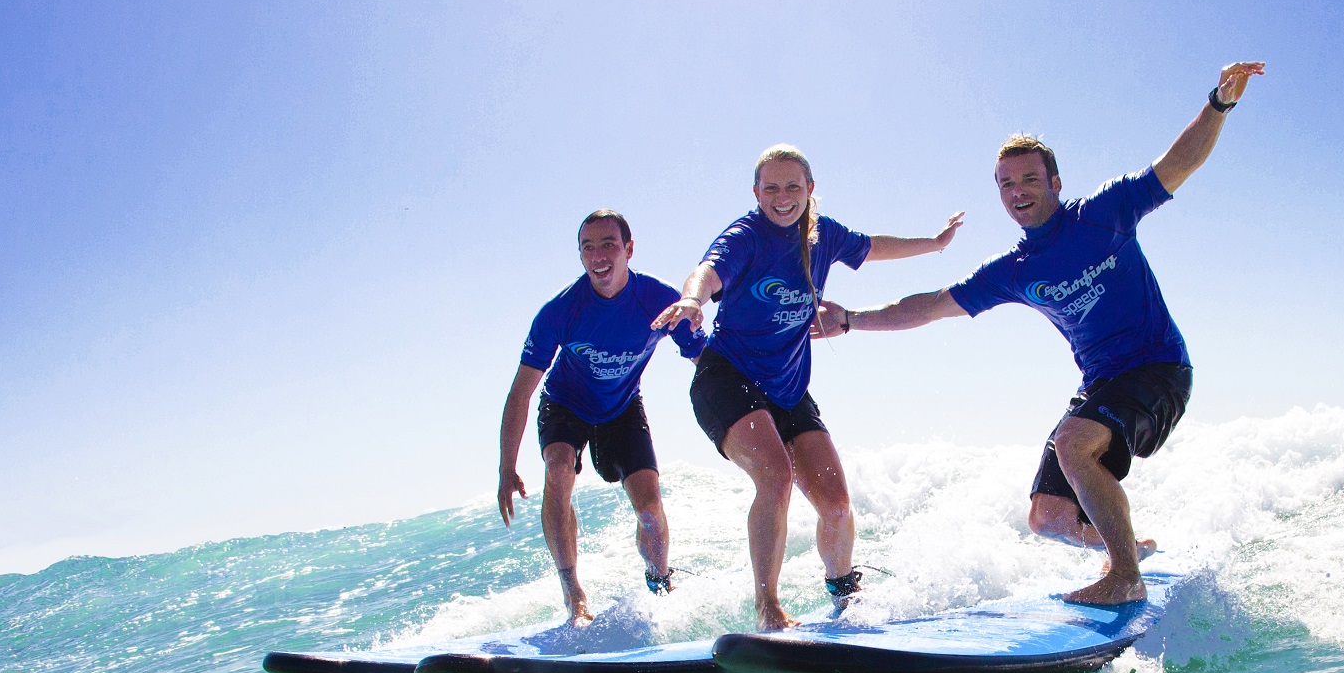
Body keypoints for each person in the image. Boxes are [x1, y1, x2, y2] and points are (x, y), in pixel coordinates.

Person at [816, 62, 1265, 605]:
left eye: (1030, 179)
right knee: (1047, 516)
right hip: (1102, 384)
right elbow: (931, 306)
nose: (1017, 191)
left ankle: (1124, 577)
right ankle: (1128, 547)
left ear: (1055, 182)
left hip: (1158, 369)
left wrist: (1218, 104)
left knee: (1075, 446)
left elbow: (1177, 163)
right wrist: (850, 320)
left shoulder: (1106, 212)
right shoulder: (1013, 270)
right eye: (1006, 184)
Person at [650, 146, 963, 630]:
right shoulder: (746, 236)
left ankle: (844, 594)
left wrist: (935, 244)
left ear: (810, 190)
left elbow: (874, 246)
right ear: (756, 194)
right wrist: (693, 299)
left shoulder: (823, 234)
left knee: (836, 505)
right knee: (774, 477)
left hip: (789, 388)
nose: (782, 197)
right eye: (770, 188)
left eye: (793, 186)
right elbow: (708, 270)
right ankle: (767, 608)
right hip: (727, 378)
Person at [498, 210, 706, 626]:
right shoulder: (560, 311)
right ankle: (572, 592)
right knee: (558, 471)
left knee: (649, 507)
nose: (598, 255)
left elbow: (706, 360)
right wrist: (507, 466)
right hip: (565, 404)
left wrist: (744, 415)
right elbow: (521, 392)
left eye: (608, 244)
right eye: (587, 247)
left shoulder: (657, 299)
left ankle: (659, 580)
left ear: (628, 249)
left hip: (623, 407)